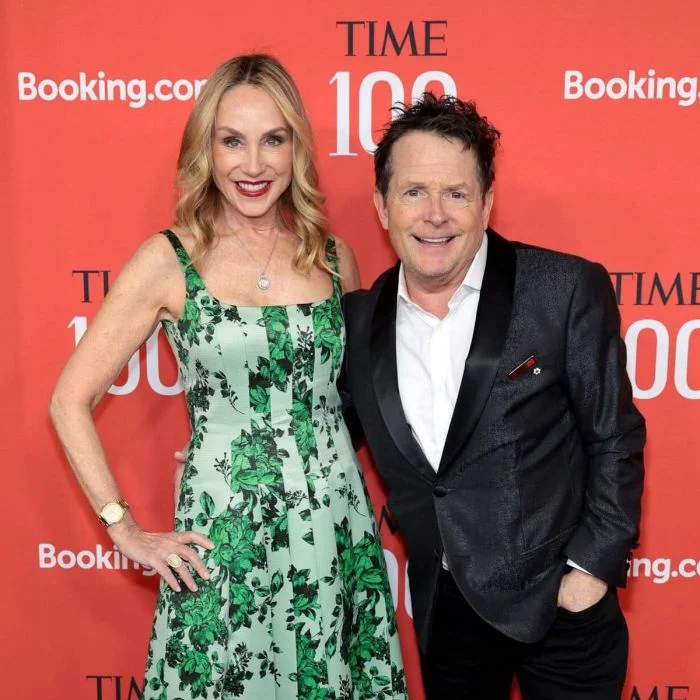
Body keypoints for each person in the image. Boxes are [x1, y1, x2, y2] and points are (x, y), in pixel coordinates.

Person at [50, 54, 406, 700]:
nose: (253, 164)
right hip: (224, 539)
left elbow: (351, 401)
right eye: (232, 141)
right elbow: (69, 399)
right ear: (206, 150)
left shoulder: (333, 258)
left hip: (333, 531)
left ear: (296, 148)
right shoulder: (169, 260)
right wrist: (123, 527)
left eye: (273, 140)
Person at [340, 94, 645, 699]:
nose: (435, 215)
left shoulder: (562, 288)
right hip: (446, 614)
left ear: (486, 203)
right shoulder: (357, 320)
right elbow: (322, 431)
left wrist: (588, 573)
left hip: (561, 608)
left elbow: (614, 436)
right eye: (413, 192)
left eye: (456, 193)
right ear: (381, 205)